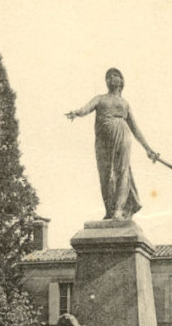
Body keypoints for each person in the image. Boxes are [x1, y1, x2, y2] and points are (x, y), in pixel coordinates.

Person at [65, 68, 158, 220]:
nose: (111, 78)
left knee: (122, 171)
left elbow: (135, 128)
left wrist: (148, 148)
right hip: (103, 140)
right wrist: (76, 113)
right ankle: (109, 209)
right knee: (105, 174)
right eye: (108, 77)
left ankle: (118, 210)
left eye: (115, 76)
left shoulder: (124, 104)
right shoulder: (100, 98)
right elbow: (85, 108)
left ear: (121, 81)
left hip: (122, 136)